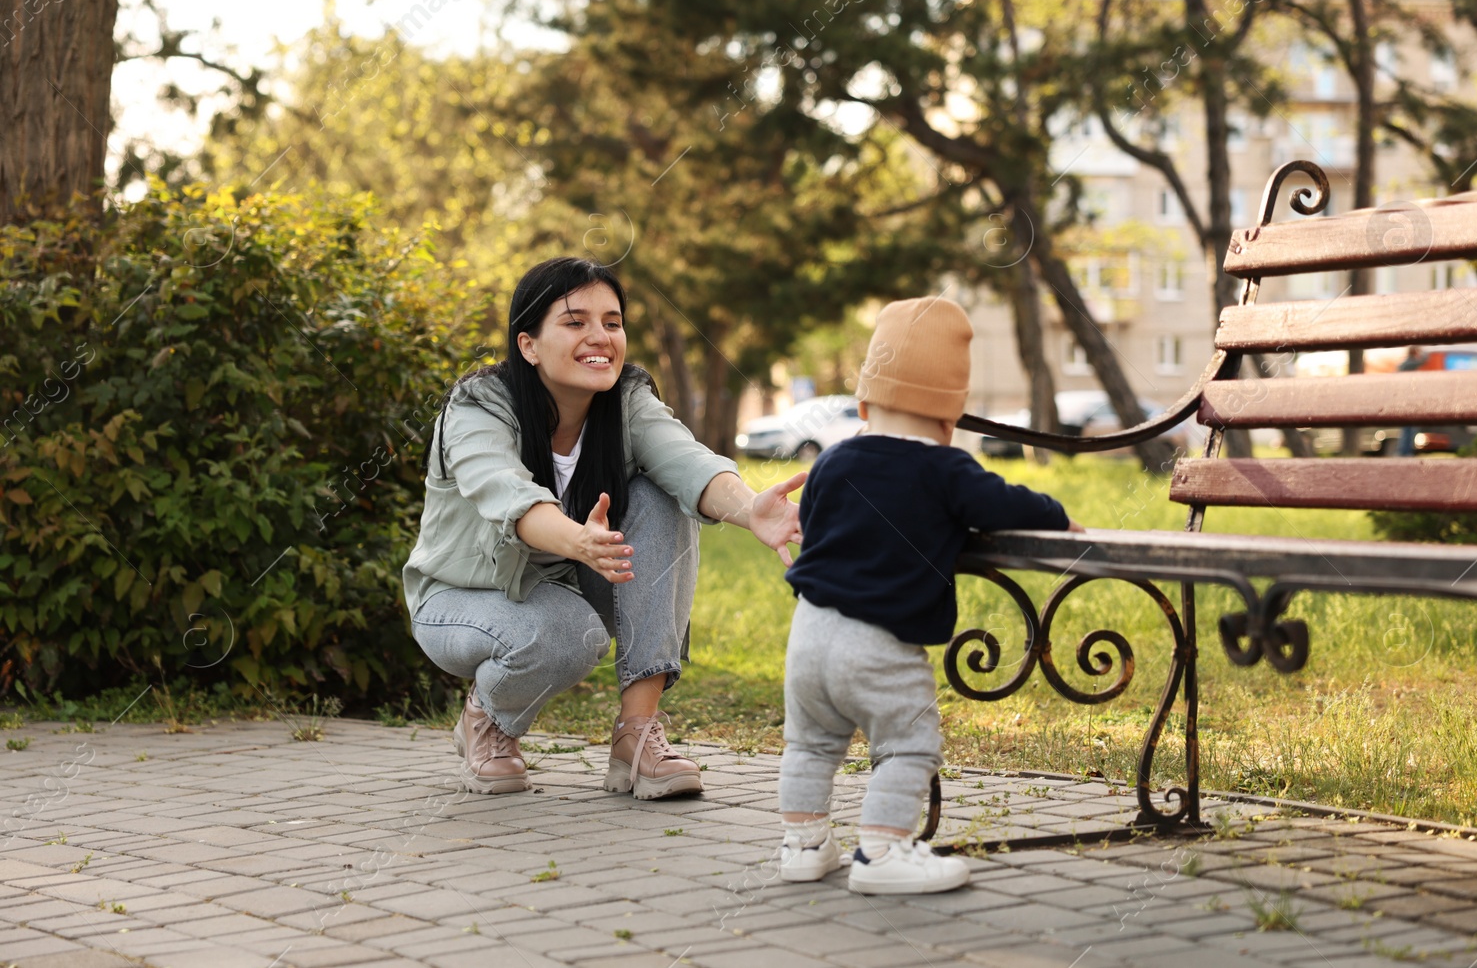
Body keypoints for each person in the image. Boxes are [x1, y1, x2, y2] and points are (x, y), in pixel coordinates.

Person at [403, 257, 803, 798]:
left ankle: (635, 739)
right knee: (569, 632)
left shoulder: (626, 401)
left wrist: (751, 507)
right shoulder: (479, 406)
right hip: (463, 600)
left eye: (612, 323)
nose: (600, 337)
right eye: (575, 322)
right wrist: (579, 540)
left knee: (663, 495)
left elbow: (688, 462)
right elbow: (505, 491)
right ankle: (486, 719)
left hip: (570, 584)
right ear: (528, 344)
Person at [775, 297, 1082, 895]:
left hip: (809, 637)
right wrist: (1056, 515)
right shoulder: (948, 471)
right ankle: (883, 853)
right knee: (907, 748)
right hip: (880, 646)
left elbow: (812, 522)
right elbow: (1009, 505)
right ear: (950, 421)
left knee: (809, 745)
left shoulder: (834, 461)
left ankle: (803, 846)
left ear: (864, 404)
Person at [1395, 345, 1427, 457]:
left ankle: (1403, 451)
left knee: (1406, 427)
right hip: (1409, 399)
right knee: (1410, 427)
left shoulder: (1402, 365)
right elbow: (1425, 359)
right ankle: (1406, 451)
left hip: (1404, 399)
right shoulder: (1410, 364)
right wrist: (1421, 350)